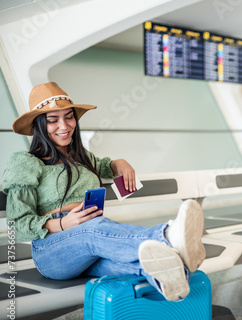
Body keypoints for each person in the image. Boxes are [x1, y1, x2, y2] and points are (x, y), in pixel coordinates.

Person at [2, 82, 206, 302]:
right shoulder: (25, 162)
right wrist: (62, 223)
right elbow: (17, 225)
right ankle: (168, 236)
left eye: (68, 117)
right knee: (92, 230)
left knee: (135, 263)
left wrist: (118, 163)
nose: (64, 125)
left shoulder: (81, 156)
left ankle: (177, 279)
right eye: (53, 120)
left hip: (91, 245)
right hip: (53, 250)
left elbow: (103, 165)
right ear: (41, 125)